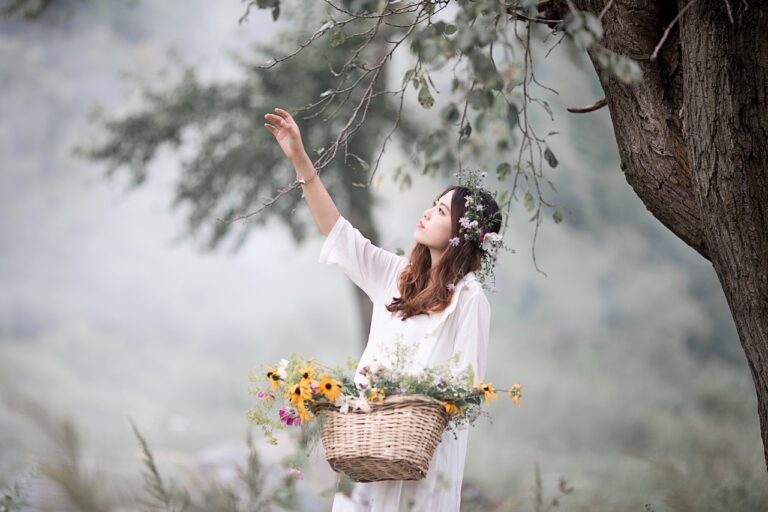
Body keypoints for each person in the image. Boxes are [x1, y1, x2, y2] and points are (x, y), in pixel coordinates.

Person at [264, 107, 503, 512]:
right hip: (372, 449)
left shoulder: (469, 299)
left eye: (442, 211)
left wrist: (401, 388)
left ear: (463, 235)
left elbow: (465, 387)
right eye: (433, 204)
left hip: (423, 464)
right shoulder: (395, 276)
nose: (428, 212)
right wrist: (300, 160)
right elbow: (338, 232)